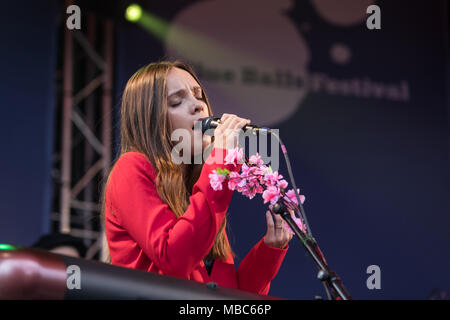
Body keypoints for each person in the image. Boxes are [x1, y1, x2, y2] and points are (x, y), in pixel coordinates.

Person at [103, 61, 293, 295]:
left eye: (198, 95)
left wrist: (269, 250)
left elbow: (228, 293)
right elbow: (174, 259)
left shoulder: (199, 185)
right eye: (177, 101)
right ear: (150, 120)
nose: (198, 106)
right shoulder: (132, 168)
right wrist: (220, 161)